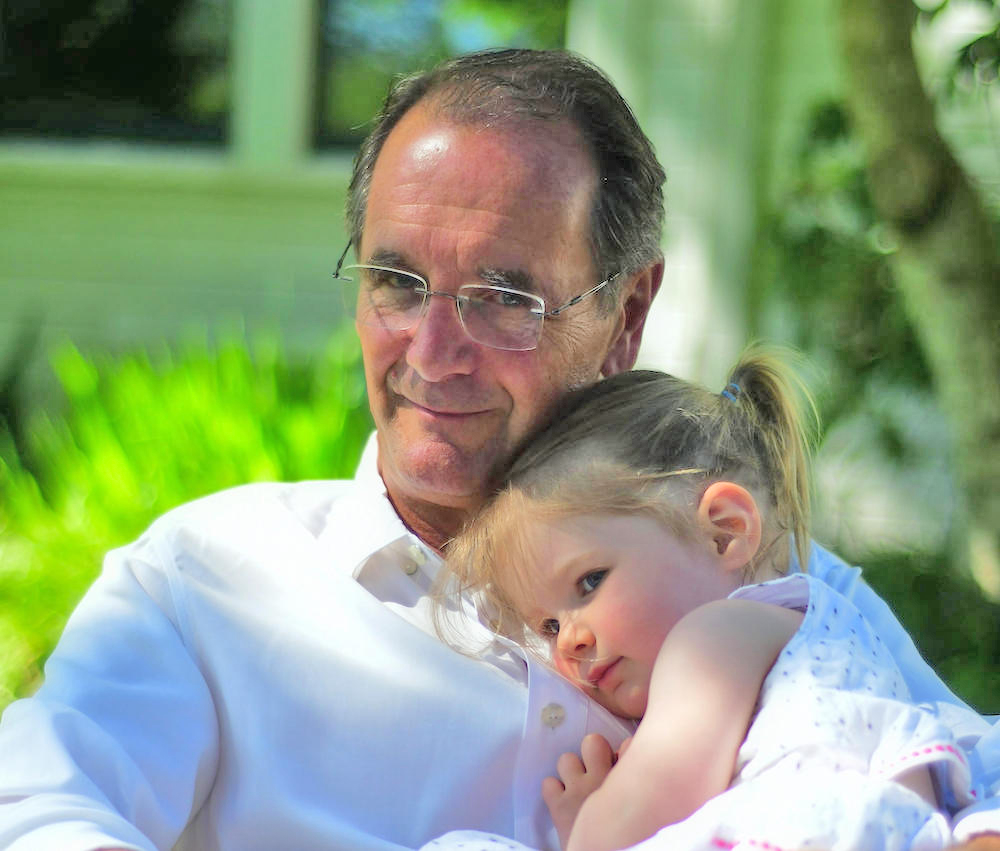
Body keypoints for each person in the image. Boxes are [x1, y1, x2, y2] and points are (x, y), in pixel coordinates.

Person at [0, 47, 995, 851]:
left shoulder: (769, 589)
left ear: (626, 313)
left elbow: (967, 781)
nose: (430, 352)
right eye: (396, 278)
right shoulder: (211, 578)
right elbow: (38, 809)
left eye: (502, 296)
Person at [434, 350, 999, 851]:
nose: (572, 641)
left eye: (590, 583)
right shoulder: (814, 627)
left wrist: (591, 823)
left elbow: (655, 795)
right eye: (550, 626)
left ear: (724, 532)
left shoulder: (715, 637)